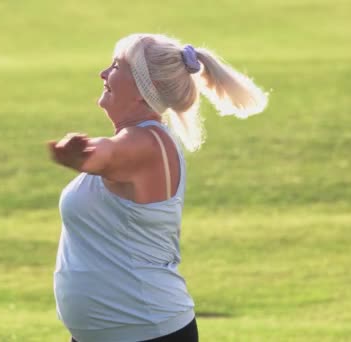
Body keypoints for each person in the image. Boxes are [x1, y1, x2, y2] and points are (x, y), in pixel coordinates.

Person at [47, 33, 268, 342]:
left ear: (141, 87)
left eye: (115, 66)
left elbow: (107, 154)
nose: (103, 74)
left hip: (146, 332)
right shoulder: (141, 141)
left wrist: (81, 153)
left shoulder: (146, 145)